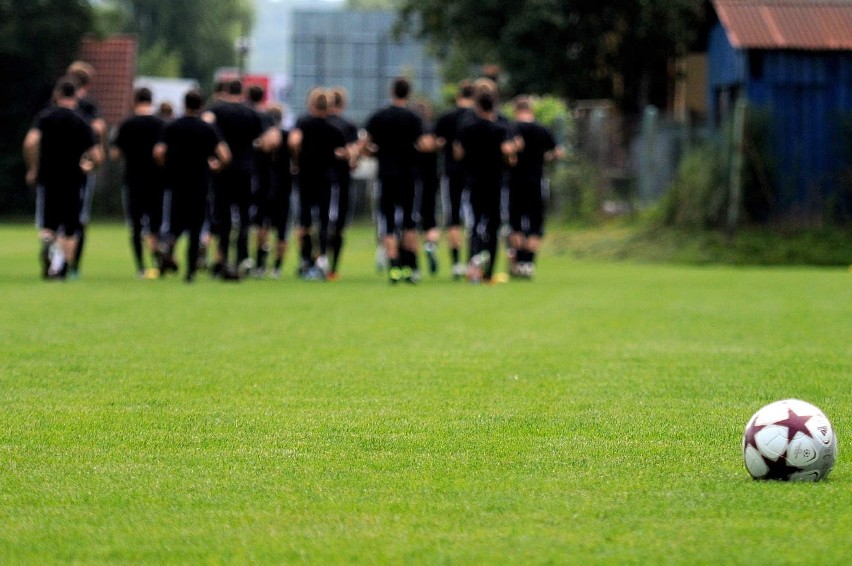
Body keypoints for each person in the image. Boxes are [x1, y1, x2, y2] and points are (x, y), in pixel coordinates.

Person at [23, 77, 101, 279]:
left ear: (57, 95)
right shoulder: (82, 121)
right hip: (74, 180)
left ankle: (49, 246)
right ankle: (63, 268)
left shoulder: (45, 117)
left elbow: (31, 142)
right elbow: (97, 155)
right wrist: (90, 166)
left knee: (48, 224)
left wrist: (33, 168)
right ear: (75, 96)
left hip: (48, 177)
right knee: (70, 227)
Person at [203, 79, 280, 278]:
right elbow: (272, 140)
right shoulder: (251, 113)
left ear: (225, 91)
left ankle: (222, 261)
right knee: (244, 217)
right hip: (246, 170)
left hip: (222, 170)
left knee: (222, 217)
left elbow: (205, 125)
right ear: (242, 92)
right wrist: (257, 146)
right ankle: (241, 260)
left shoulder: (217, 110)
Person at [154, 89, 231, 282]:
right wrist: (215, 168)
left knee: (174, 223)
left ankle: (168, 250)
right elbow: (225, 155)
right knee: (196, 227)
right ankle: (190, 272)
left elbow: (158, 151)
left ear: (184, 104)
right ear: (201, 105)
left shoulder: (172, 126)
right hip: (200, 182)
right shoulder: (207, 129)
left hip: (176, 181)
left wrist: (167, 165)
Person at [364, 77, 427, 284]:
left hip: (387, 174)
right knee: (410, 221)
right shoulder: (414, 118)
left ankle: (393, 266)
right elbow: (424, 144)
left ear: (392, 92)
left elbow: (365, 143)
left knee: (388, 221)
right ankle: (409, 267)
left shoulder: (380, 116)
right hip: (409, 175)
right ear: (408, 93)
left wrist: (375, 152)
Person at [454, 89, 516, 283]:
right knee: (493, 225)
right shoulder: (500, 129)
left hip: (473, 181)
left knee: (474, 224)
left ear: (477, 106)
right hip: (496, 182)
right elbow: (508, 153)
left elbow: (458, 153)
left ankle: (473, 268)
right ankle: (488, 272)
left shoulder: (467, 128)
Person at [288, 88, 347, 280]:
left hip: (306, 176)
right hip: (326, 178)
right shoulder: (334, 129)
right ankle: (322, 257)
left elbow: (294, 141)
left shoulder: (302, 123)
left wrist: (297, 161)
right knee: (323, 220)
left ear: (310, 103)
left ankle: (306, 259)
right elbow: (343, 153)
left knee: (304, 221)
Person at [110, 86, 167, 278]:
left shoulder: (126, 124)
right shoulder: (161, 124)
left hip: (133, 179)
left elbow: (115, 154)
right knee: (155, 223)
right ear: (151, 101)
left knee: (135, 225)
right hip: (156, 180)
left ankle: (141, 266)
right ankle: (157, 259)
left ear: (134, 101)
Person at [507, 96, 563, 278]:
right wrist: (543, 158)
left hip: (515, 181)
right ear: (532, 110)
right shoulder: (542, 129)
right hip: (536, 180)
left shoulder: (512, 128)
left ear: (516, 110)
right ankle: (528, 264)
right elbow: (558, 152)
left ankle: (518, 262)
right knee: (535, 223)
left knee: (516, 223)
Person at [66, 61, 107, 278]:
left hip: (56, 166)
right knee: (80, 216)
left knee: (55, 215)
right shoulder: (90, 107)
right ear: (89, 83)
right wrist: (96, 157)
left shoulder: (57, 103)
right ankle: (73, 266)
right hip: (82, 165)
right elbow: (99, 130)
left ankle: (56, 257)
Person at [434, 80, 475, 279]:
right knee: (473, 218)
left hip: (451, 172)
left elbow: (437, 143)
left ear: (458, 95)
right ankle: (472, 261)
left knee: (453, 217)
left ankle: (456, 263)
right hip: (475, 174)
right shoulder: (476, 118)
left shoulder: (447, 117)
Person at [325, 87, 361, 280]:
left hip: (319, 180)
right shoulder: (348, 126)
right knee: (338, 225)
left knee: (320, 222)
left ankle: (314, 260)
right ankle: (333, 267)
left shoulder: (319, 123)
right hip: (341, 180)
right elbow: (354, 155)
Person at [246, 84, 278, 277]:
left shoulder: (242, 113)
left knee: (237, 218)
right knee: (261, 221)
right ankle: (259, 262)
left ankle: (234, 259)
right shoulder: (266, 117)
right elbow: (272, 142)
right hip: (261, 174)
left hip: (238, 172)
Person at [412, 99, 441, 276]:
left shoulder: (409, 131)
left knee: (411, 221)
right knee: (430, 218)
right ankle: (430, 245)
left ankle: (413, 262)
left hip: (412, 180)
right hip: (431, 179)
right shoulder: (433, 130)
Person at [266, 104, 294, 279]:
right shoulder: (289, 137)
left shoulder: (264, 139)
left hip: (266, 187)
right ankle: (277, 267)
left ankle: (260, 263)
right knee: (283, 230)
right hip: (285, 187)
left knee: (263, 226)